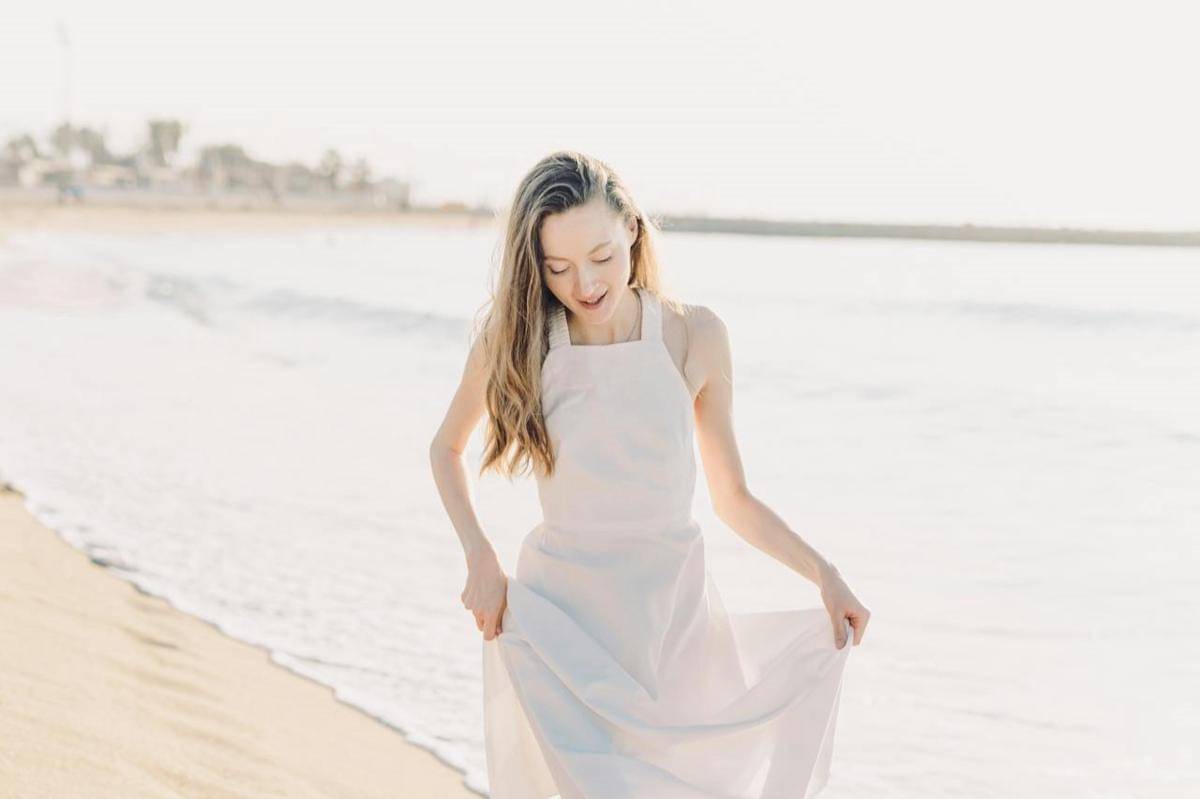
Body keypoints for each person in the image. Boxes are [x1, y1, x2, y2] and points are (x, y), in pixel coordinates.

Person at [429, 150, 871, 798]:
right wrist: (479, 557)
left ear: (632, 229)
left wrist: (823, 574)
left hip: (673, 631)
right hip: (562, 634)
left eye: (601, 256)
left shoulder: (694, 335)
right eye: (558, 268)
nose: (584, 284)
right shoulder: (519, 339)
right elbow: (446, 448)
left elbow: (732, 496)